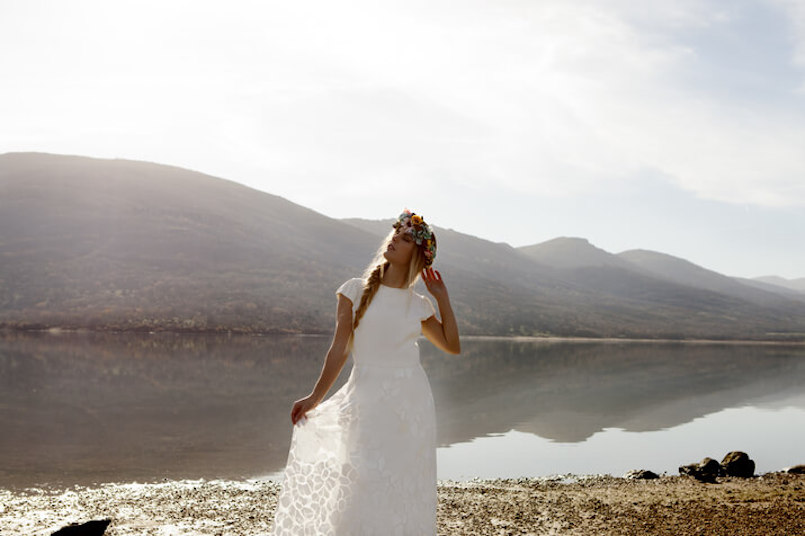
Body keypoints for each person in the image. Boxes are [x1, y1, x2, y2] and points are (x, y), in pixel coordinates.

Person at [269, 209, 460, 535]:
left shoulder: (418, 305)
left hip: (409, 407)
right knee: (360, 481)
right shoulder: (354, 291)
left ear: (416, 255)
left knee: (400, 488)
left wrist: (442, 299)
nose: (394, 240)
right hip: (366, 400)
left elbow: (451, 346)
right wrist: (315, 397)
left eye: (404, 238)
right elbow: (339, 351)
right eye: (395, 234)